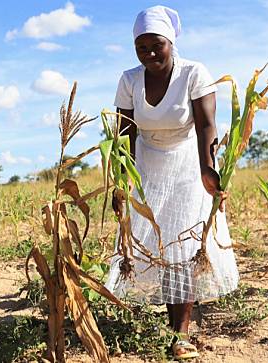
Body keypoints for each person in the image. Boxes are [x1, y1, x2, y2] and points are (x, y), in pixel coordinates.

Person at [104, 5, 239, 360]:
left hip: (187, 161)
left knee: (184, 245)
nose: (149, 54)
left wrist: (208, 170)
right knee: (154, 243)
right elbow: (124, 134)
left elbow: (207, 125)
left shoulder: (194, 73)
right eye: (141, 47)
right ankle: (166, 321)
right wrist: (123, 182)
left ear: (171, 42)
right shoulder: (129, 79)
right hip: (146, 163)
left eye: (156, 45)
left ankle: (180, 334)